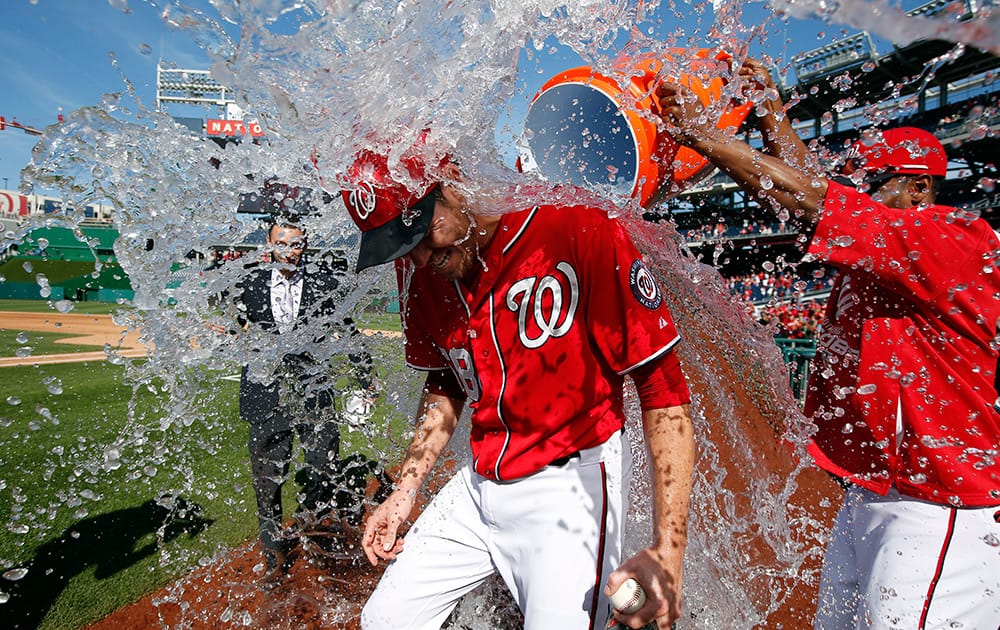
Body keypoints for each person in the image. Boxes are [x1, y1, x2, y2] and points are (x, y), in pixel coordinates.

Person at [657, 61, 1000, 628]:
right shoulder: (883, 244)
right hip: (873, 493)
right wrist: (769, 108)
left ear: (918, 187)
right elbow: (809, 192)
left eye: (876, 183)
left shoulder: (952, 238)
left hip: (944, 507)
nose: (862, 194)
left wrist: (707, 138)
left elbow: (816, 200)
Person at [338, 137, 695, 629]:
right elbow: (448, 380)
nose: (419, 259)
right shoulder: (422, 272)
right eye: (401, 246)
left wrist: (668, 551)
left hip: (571, 485)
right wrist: (404, 491)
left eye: (422, 232)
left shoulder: (575, 228)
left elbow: (663, 391)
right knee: (386, 621)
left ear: (456, 187)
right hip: (480, 482)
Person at [228, 186, 377, 574]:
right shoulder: (247, 283)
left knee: (322, 472)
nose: (289, 251)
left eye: (296, 244)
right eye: (282, 243)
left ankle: (314, 544)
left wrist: (365, 381)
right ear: (269, 242)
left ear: (305, 244)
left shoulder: (325, 284)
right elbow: (236, 327)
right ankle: (274, 559)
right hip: (265, 395)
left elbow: (348, 333)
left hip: (314, 393)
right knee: (268, 483)